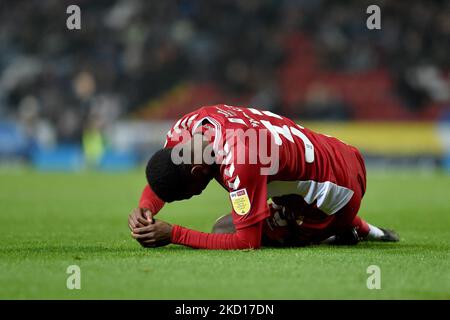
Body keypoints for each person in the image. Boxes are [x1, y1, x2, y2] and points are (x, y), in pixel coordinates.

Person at [128, 104, 399, 249]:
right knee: (279, 192)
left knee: (224, 228)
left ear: (198, 172)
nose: (197, 193)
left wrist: (174, 234)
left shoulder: (240, 159)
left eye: (192, 192)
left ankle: (332, 230)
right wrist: (145, 208)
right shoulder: (189, 126)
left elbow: (247, 243)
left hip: (341, 194)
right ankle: (368, 230)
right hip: (341, 153)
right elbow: (166, 170)